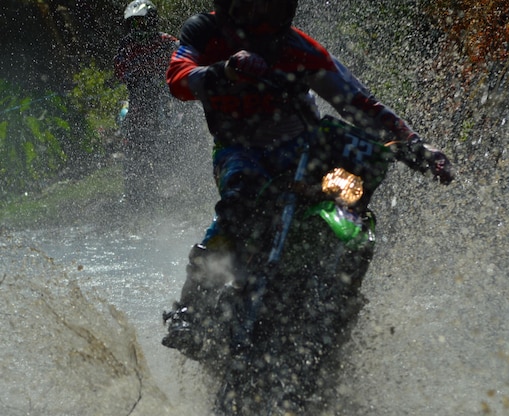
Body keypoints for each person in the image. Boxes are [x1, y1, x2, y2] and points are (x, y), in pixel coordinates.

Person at [162, 0, 453, 350]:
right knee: (239, 200)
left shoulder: (299, 48)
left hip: (304, 152)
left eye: (273, 7)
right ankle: (190, 308)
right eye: (256, 9)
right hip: (238, 151)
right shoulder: (203, 32)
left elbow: (359, 103)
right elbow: (178, 77)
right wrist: (225, 71)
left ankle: (342, 299)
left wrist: (416, 146)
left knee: (351, 201)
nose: (264, 18)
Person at [114, 0, 179, 208]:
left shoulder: (167, 41)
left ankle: (192, 178)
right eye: (133, 24)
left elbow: (185, 59)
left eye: (141, 23)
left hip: (167, 95)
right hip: (139, 98)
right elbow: (119, 70)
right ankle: (133, 190)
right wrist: (132, 76)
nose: (137, 28)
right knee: (129, 132)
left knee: (187, 119)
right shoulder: (126, 45)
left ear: (151, 21)